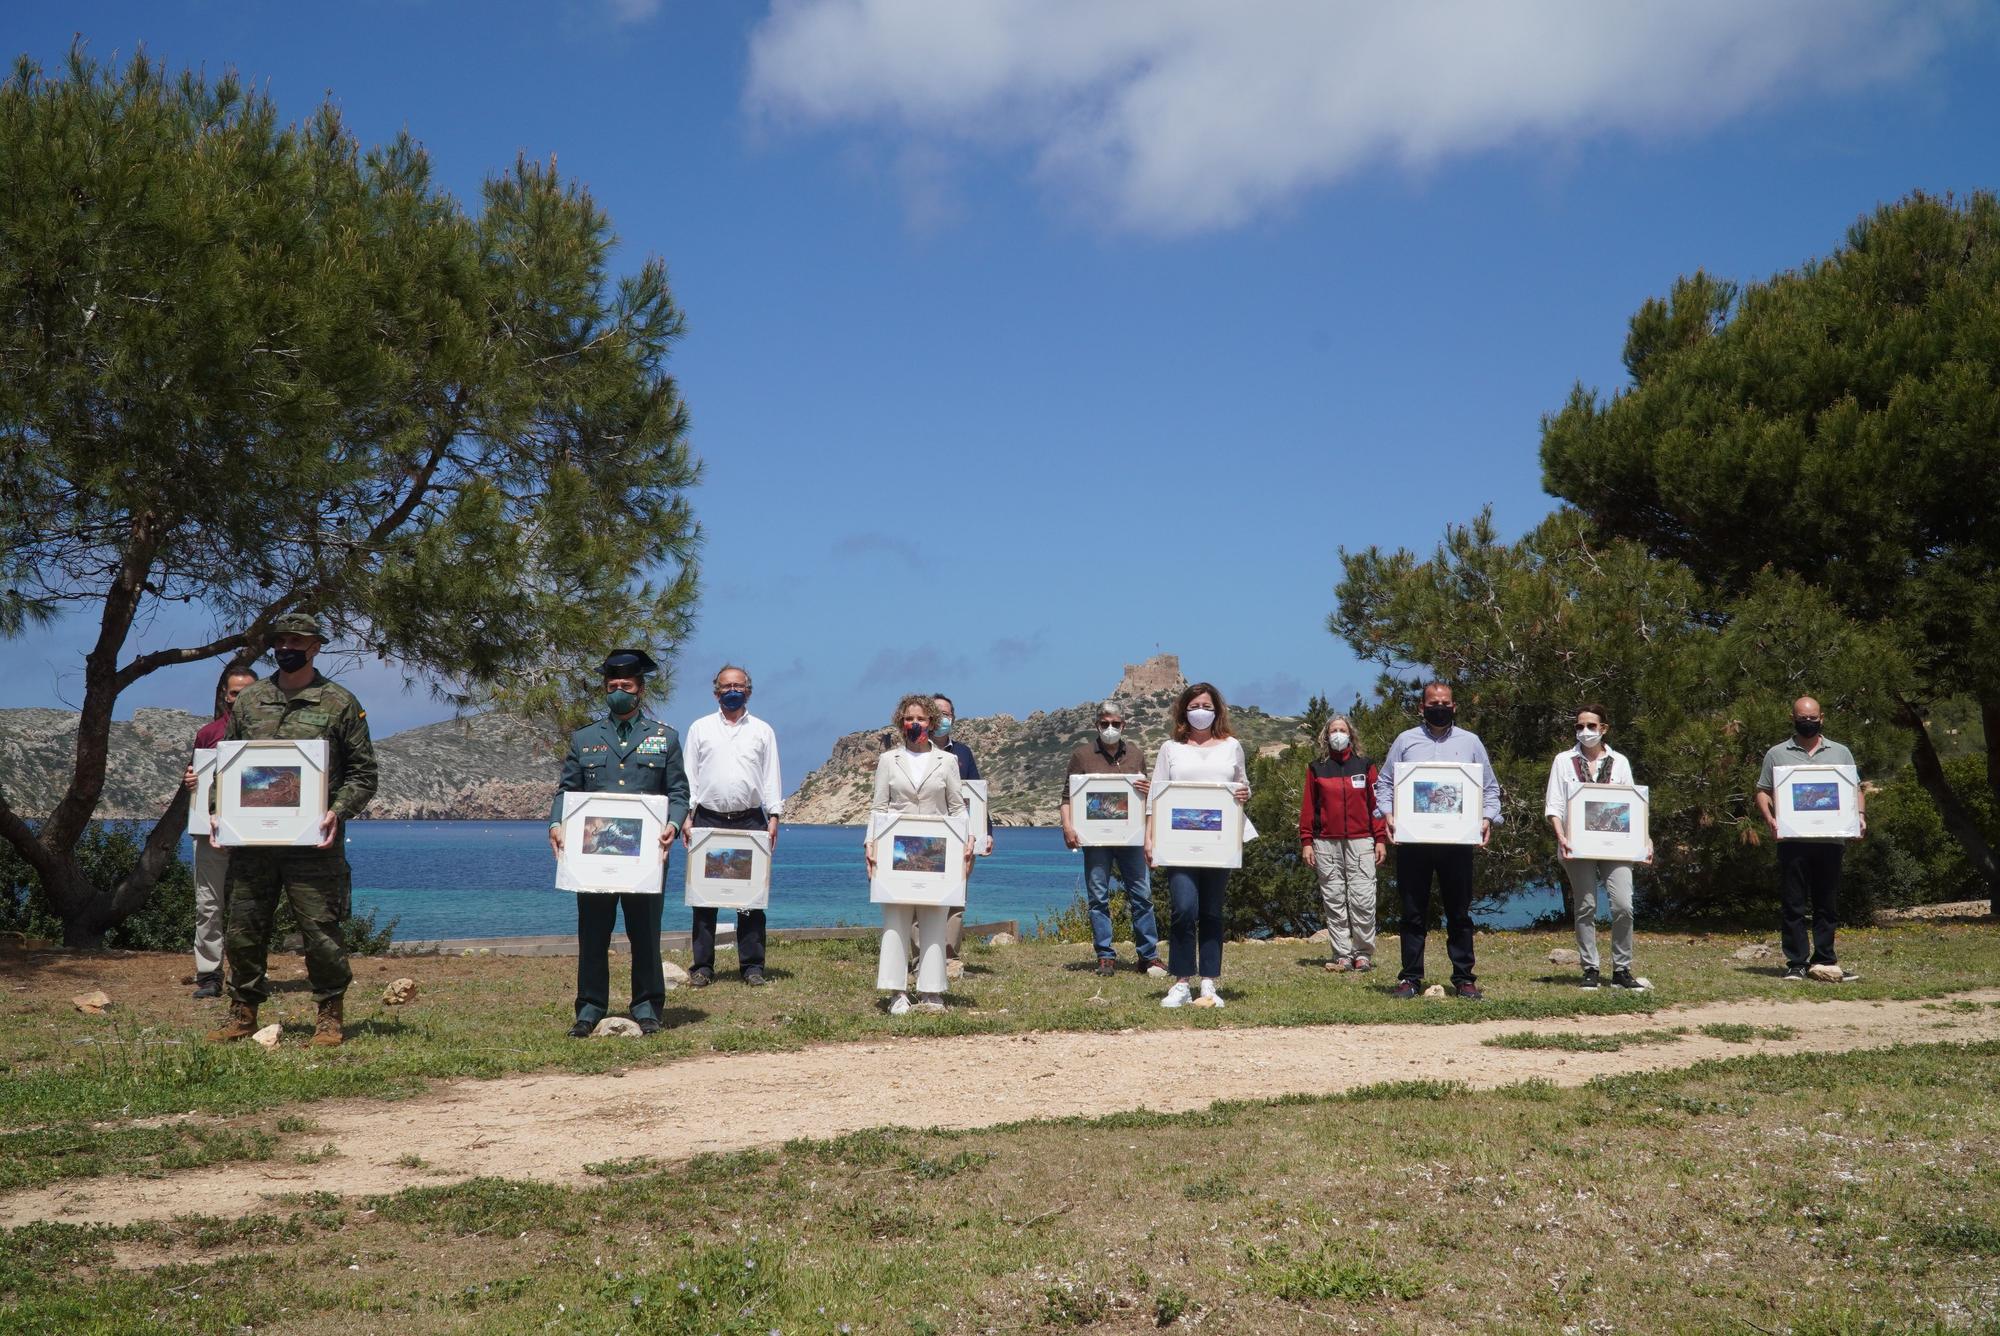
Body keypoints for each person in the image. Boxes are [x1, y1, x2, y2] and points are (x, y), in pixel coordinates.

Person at [205, 613, 377, 1047]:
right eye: (280, 640)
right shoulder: (250, 701)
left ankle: (329, 1016)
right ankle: (242, 1012)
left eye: (296, 640)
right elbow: (229, 767)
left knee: (321, 931)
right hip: (253, 843)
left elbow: (363, 773)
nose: (286, 646)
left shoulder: (339, 702)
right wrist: (216, 814)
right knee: (243, 929)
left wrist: (337, 811)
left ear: (315, 646)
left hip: (313, 845)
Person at [549, 650, 690, 1037]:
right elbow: (567, 790)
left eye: (625, 686)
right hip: (593, 858)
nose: (618, 692)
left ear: (640, 690)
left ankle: (647, 1007)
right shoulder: (585, 738)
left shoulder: (665, 739)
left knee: (646, 935)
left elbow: (679, 794)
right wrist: (557, 823)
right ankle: (590, 1008)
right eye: (612, 686)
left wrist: (674, 826)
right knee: (592, 934)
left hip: (646, 859)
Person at [1374, 682, 1502, 1002]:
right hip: (1413, 842)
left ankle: (1464, 979)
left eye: (1445, 702)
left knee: (1459, 912)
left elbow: (1489, 788)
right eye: (1433, 702)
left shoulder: (1471, 742)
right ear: (1422, 707)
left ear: (1454, 706)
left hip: (1457, 844)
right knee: (1413, 912)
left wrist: (1486, 818)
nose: (1439, 707)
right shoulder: (1406, 741)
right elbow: (1385, 784)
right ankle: (1410, 979)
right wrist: (1388, 815)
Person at [866, 693, 972, 1015]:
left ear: (931, 721)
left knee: (934, 920)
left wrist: (966, 844)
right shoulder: (888, 761)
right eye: (909, 719)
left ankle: (932, 991)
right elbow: (878, 807)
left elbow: (957, 807)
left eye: (921, 719)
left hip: (937, 850)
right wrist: (870, 846)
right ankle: (897, 991)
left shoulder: (948, 761)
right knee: (896, 920)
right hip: (896, 850)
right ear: (901, 722)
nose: (915, 724)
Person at [1146, 682, 1251, 1009]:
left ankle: (1208, 983)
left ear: (1217, 710)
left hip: (1219, 844)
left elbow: (1243, 786)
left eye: (1206, 705)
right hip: (1178, 844)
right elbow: (1155, 796)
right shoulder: (1169, 749)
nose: (1200, 711)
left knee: (1211, 912)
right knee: (1183, 908)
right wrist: (1149, 838)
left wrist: (1244, 793)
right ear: (1183, 711)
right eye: (1194, 706)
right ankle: (1180, 982)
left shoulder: (1232, 746)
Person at [681, 664, 783, 988]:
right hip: (707, 817)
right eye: (726, 686)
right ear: (716, 692)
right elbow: (689, 776)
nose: (732, 690)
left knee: (751, 899)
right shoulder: (699, 728)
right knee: (703, 897)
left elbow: (771, 776)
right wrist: (686, 814)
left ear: (748, 691)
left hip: (751, 819)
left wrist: (775, 816)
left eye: (738, 685)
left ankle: (752, 967)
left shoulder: (763, 731)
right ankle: (702, 967)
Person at [1755, 696, 1865, 983]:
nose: (1808, 723)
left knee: (1826, 903)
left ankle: (1825, 960)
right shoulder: (1777, 754)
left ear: (1822, 718)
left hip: (1831, 840)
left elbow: (1856, 789)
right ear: (1792, 718)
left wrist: (1860, 816)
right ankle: (1796, 963)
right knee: (1793, 904)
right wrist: (1770, 818)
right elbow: (1763, 791)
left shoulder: (1841, 753)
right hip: (1792, 841)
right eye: (1802, 718)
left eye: (1812, 718)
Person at [1543, 705, 1650, 991]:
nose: (1585, 731)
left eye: (1591, 726)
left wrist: (1645, 840)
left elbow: (1632, 804)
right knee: (1586, 906)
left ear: (1604, 728)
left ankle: (1622, 969)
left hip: (1617, 846)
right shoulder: (1563, 761)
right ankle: (1590, 968)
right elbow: (1553, 805)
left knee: (1623, 905)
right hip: (1576, 846)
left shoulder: (1620, 762)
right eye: (1579, 726)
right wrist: (1561, 836)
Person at [1059, 700, 1165, 977]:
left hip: (1131, 837)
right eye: (1105, 723)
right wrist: (1067, 827)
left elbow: (1146, 799)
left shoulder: (1136, 754)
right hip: (1095, 840)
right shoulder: (1081, 755)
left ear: (1123, 725)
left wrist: (1149, 789)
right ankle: (1105, 955)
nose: (1110, 728)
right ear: (1097, 724)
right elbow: (1067, 797)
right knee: (1098, 897)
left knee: (1142, 895)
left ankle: (1149, 956)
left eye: (1115, 724)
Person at [181, 663, 258, 999]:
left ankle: (249, 973)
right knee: (208, 904)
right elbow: (195, 779)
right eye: (234, 693)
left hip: (254, 833)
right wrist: (190, 782)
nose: (239, 700)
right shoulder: (208, 734)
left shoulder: (269, 733)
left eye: (248, 693)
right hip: (207, 830)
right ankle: (209, 974)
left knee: (251, 904)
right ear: (225, 695)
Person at [1298, 714, 1386, 974]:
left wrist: (1380, 839)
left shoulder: (1366, 766)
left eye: (1342, 730)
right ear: (1326, 736)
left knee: (1363, 899)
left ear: (1351, 735)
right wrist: (1307, 841)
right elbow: (1307, 808)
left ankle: (1362, 954)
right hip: (1325, 843)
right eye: (1334, 730)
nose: (1338, 734)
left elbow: (1377, 806)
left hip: (1362, 842)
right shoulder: (1317, 768)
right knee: (1334, 899)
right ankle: (1342, 955)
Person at [930, 692, 991, 969]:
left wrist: (986, 833)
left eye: (948, 714)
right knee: (923, 898)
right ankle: (923, 957)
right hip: (928, 838)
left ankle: (950, 957)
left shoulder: (963, 753)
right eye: (938, 713)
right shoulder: (915, 750)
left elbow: (977, 796)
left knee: (956, 898)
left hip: (960, 838)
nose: (944, 718)